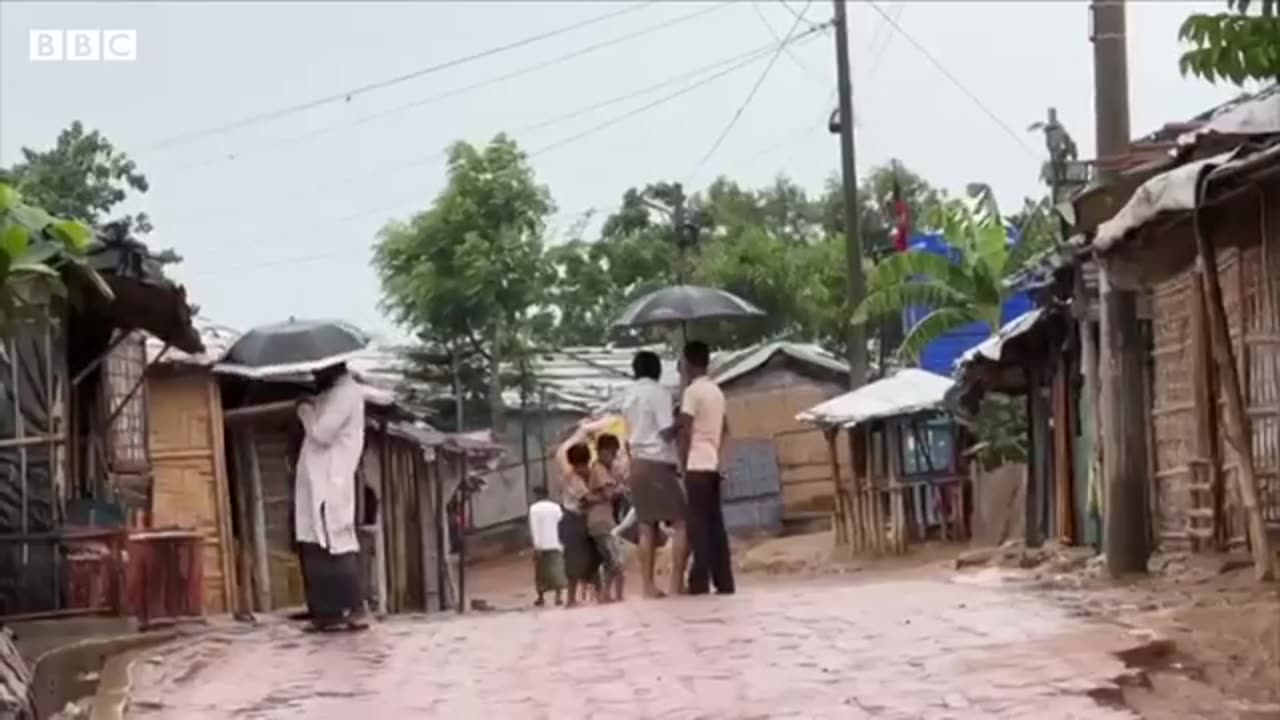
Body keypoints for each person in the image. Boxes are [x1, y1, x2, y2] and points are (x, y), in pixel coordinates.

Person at [294, 362, 370, 631]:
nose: (314, 374)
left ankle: (354, 608)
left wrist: (304, 410)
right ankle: (326, 613)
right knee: (315, 545)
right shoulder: (333, 393)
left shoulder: (346, 394)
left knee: (334, 544)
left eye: (318, 370)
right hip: (318, 482)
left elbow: (322, 434)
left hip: (330, 482)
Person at [619, 350, 688, 598]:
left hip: (637, 462)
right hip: (658, 462)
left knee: (646, 526)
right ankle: (676, 583)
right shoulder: (659, 393)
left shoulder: (627, 395)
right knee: (681, 522)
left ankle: (648, 585)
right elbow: (666, 432)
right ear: (657, 370)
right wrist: (681, 418)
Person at [676, 341, 735, 596]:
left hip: (696, 464)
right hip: (712, 464)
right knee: (715, 525)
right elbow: (726, 429)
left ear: (687, 364)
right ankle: (724, 581)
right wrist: (721, 461)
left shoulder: (691, 392)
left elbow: (686, 430)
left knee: (697, 526)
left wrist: (682, 462)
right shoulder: (716, 392)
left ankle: (699, 581)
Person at [591, 433, 626, 602]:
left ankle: (612, 596)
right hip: (601, 521)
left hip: (605, 520)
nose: (613, 458)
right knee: (616, 562)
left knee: (611, 562)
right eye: (612, 453)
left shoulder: (605, 469)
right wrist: (622, 488)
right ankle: (608, 595)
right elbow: (609, 493)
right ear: (603, 452)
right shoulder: (599, 470)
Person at [527, 485, 566, 607]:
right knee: (557, 570)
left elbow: (534, 528)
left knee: (541, 573)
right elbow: (561, 523)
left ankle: (541, 597)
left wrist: (536, 545)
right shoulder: (555, 507)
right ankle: (558, 596)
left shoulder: (534, 509)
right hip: (555, 543)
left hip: (541, 545)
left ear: (537, 495)